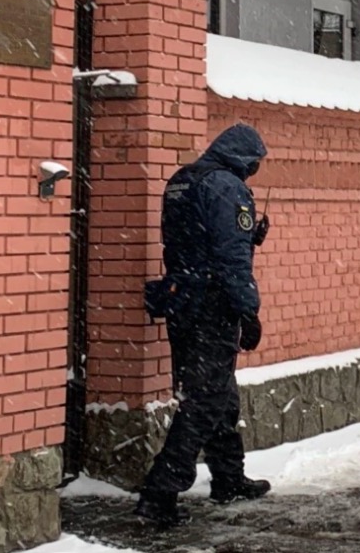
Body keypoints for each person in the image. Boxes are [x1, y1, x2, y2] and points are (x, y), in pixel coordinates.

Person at [136, 123, 272, 527]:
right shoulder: (227, 186)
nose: (254, 172)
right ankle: (160, 491)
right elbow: (231, 256)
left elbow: (193, 239)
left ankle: (228, 477)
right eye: (255, 164)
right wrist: (247, 309)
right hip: (213, 304)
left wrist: (247, 237)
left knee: (218, 393)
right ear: (244, 158)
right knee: (206, 401)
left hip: (182, 300)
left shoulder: (183, 179)